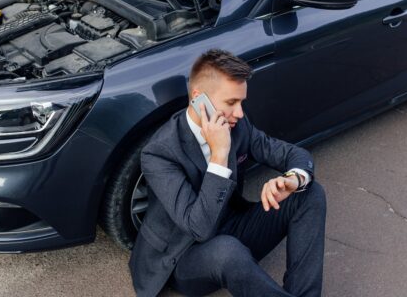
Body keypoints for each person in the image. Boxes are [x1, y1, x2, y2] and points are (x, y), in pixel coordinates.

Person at [129, 49, 326, 297]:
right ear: (199, 99)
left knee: (310, 193)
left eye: (241, 102)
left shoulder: (238, 126)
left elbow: (293, 155)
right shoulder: (160, 153)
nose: (240, 113)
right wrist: (220, 154)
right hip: (183, 256)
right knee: (228, 252)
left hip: (231, 226)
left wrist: (292, 179)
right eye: (231, 103)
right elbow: (198, 228)